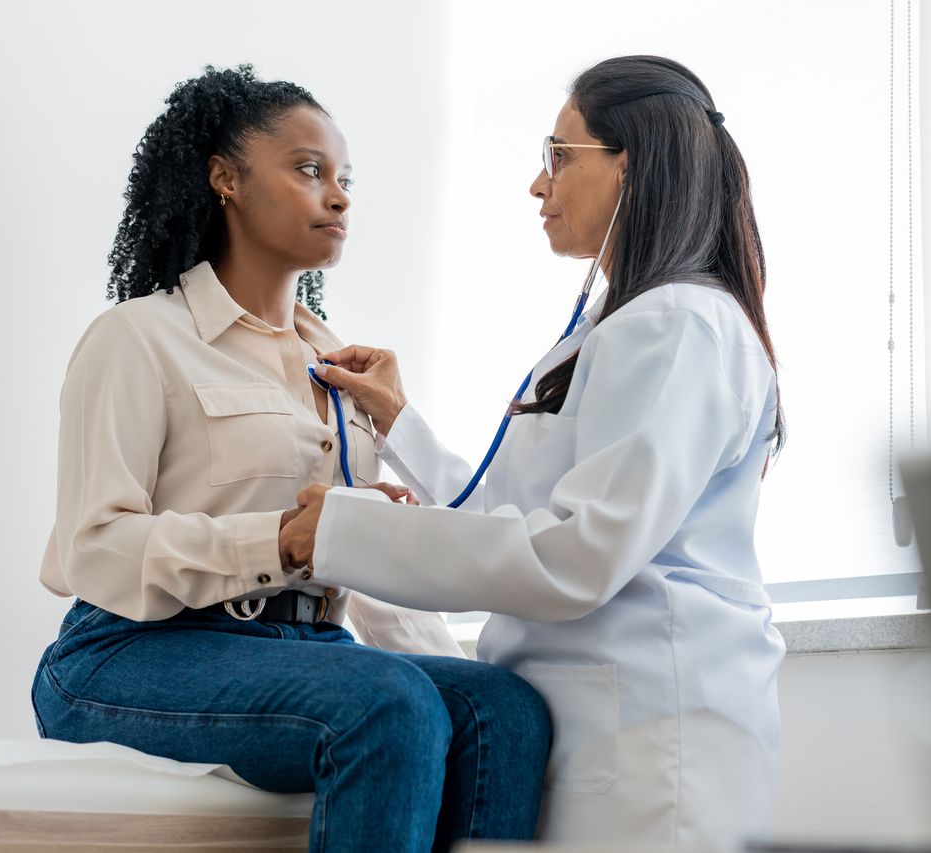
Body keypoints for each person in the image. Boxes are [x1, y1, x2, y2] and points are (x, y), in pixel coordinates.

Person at [31, 65, 549, 853]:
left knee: (503, 709)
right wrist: (280, 539)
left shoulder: (339, 366)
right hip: (130, 649)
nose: (338, 198)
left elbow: (366, 571)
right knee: (389, 703)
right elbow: (94, 548)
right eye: (310, 171)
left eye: (345, 180)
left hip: (310, 648)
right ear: (226, 178)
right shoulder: (136, 338)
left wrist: (444, 668)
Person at [281, 55, 786, 847]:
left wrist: (342, 530)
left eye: (559, 155)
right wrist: (399, 423)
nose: (537, 183)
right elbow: (517, 514)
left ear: (631, 165)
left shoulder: (677, 325)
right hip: (584, 720)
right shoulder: (627, 324)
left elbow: (577, 554)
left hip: (650, 739)